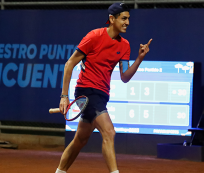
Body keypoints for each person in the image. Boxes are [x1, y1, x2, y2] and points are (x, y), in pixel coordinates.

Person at [56, 2, 152, 173]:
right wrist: (64, 96)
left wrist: (139, 59)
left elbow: (124, 77)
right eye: (123, 18)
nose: (127, 22)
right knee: (109, 132)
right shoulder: (94, 36)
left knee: (80, 139)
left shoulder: (125, 45)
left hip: (101, 95)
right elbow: (69, 63)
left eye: (128, 18)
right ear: (111, 19)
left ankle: (60, 171)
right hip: (86, 91)